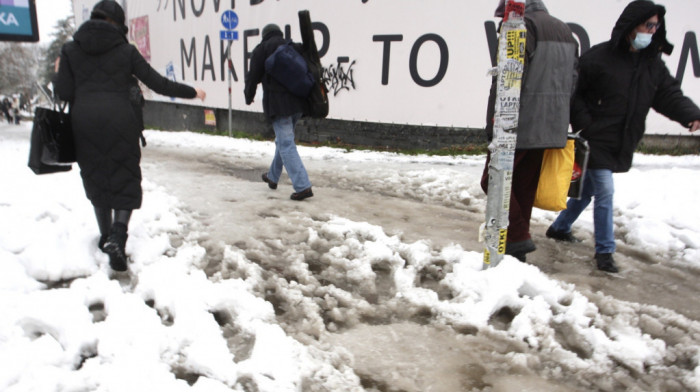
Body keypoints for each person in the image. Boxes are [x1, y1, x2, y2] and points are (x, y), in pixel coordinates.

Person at [545, 0, 700, 273]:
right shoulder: (598, 58)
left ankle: (560, 227)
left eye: (656, 26)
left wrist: (691, 114)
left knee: (588, 191)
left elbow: (668, 94)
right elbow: (574, 92)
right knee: (605, 191)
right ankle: (605, 252)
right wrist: (585, 123)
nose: (652, 31)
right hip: (595, 138)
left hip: (621, 139)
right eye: (647, 25)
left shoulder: (651, 64)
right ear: (631, 26)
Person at [53, 0, 206, 272]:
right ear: (118, 24)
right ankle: (118, 236)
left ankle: (104, 236)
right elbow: (158, 83)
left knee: (95, 176)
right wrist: (192, 91)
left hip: (84, 121)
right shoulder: (125, 51)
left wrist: (59, 71)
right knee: (125, 176)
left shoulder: (70, 50)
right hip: (121, 120)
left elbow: (63, 93)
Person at [481, 0, 579, 262]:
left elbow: (508, 78)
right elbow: (573, 81)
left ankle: (517, 238)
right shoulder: (566, 32)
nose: (502, 24)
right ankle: (516, 254)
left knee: (493, 179)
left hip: (518, 123)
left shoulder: (522, 27)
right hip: (551, 125)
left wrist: (495, 122)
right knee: (522, 187)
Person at [244, 23, 314, 201]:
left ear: (264, 35)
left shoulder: (262, 49)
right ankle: (272, 177)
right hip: (298, 104)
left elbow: (253, 77)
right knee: (283, 142)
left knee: (286, 144)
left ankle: (302, 186)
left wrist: (248, 96)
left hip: (279, 105)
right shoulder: (291, 46)